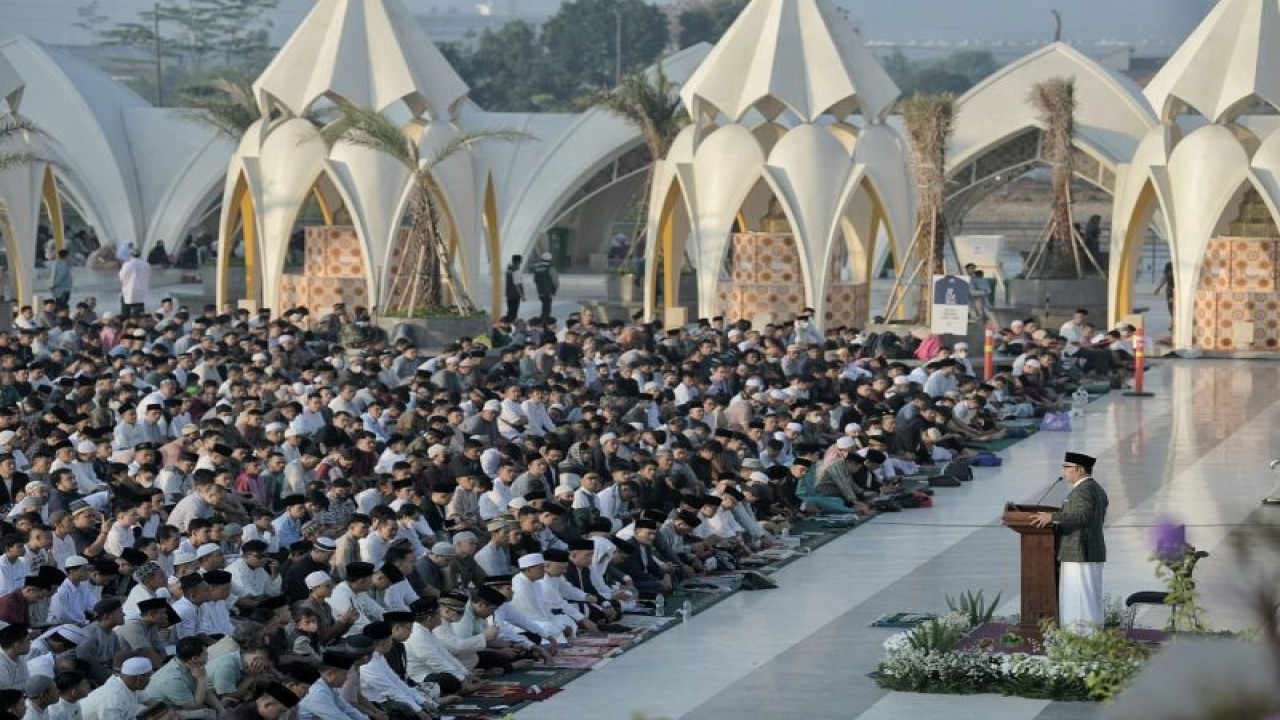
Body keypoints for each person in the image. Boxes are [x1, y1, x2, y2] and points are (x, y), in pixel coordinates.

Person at [1031, 451, 1108, 634]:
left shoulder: (1083, 490)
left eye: (1067, 467)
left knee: (1079, 599)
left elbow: (1082, 515)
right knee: (1088, 598)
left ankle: (1081, 638)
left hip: (1079, 551)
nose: (1064, 470)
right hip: (1085, 550)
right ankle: (1090, 636)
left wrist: (1053, 517)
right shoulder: (1094, 488)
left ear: (1080, 470)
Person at [118, 248, 151, 319]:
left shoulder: (127, 264)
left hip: (129, 290)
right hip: (141, 290)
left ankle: (126, 321)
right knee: (139, 310)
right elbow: (148, 276)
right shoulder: (146, 264)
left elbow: (122, 276)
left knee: (126, 309)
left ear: (131, 255)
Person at [531, 252, 558, 319]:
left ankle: (543, 318)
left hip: (540, 291)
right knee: (547, 308)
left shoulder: (537, 268)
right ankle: (544, 320)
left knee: (544, 306)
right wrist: (555, 290)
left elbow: (535, 280)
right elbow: (555, 281)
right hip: (548, 292)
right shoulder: (551, 268)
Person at [504, 255, 525, 322]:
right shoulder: (516, 270)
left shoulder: (509, 269)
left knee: (510, 312)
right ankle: (511, 327)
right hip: (515, 295)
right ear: (519, 261)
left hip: (509, 294)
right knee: (513, 314)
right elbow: (517, 284)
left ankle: (507, 325)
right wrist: (522, 295)